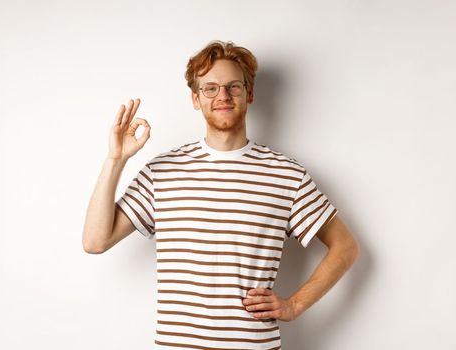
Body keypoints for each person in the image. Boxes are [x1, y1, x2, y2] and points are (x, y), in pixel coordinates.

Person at [81, 40, 359, 349]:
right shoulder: (162, 171)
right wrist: (116, 160)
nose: (222, 96)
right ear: (195, 99)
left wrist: (294, 305)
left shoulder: (286, 174)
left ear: (249, 93)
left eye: (233, 87)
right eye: (210, 88)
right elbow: (95, 241)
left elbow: (345, 247)